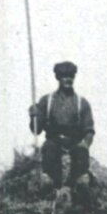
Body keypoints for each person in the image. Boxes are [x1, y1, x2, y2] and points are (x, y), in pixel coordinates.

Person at [29, 61, 95, 196]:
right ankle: (52, 187)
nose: (68, 79)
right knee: (49, 149)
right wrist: (34, 116)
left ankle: (74, 187)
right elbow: (36, 130)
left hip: (74, 142)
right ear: (57, 78)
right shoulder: (46, 101)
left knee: (81, 162)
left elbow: (89, 130)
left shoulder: (81, 103)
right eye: (64, 76)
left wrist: (85, 144)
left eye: (71, 76)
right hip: (54, 141)